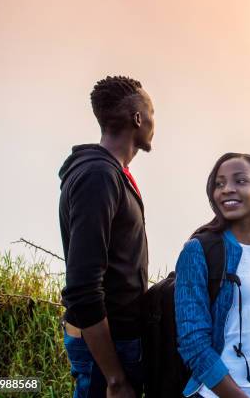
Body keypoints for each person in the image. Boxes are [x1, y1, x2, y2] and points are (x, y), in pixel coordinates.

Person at [58, 75, 155, 398]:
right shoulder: (99, 177)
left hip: (117, 342)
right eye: (152, 112)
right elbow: (83, 286)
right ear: (138, 118)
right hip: (107, 349)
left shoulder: (110, 173)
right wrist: (115, 378)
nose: (155, 121)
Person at [174, 153, 250, 398]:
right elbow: (193, 340)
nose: (227, 190)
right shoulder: (198, 251)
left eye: (240, 181)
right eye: (219, 184)